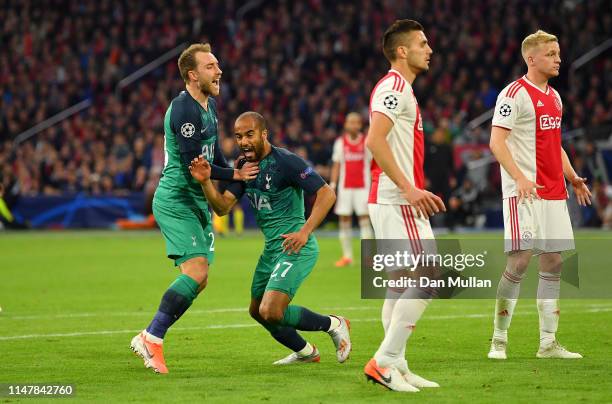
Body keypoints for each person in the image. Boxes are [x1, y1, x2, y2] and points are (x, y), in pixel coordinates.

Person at [130, 43, 259, 374]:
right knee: (197, 272)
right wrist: (235, 175)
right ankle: (151, 337)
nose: (219, 71)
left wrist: (237, 173)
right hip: (176, 199)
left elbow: (214, 158)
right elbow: (196, 166)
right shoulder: (184, 110)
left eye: (217, 65)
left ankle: (150, 334)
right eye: (211, 66)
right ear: (192, 75)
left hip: (196, 202)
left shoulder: (209, 106)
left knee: (198, 281)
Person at [189, 111, 352, 365]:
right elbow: (222, 207)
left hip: (296, 245)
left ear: (264, 134)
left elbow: (327, 194)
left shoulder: (286, 161)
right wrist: (206, 182)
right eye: (238, 136)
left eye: (249, 134)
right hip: (271, 250)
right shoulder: (244, 167)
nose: (243, 141)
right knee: (257, 312)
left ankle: (334, 323)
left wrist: (304, 231)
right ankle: (306, 352)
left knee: (271, 311)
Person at [487, 30, 592, 360]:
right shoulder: (513, 95)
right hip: (524, 192)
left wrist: (572, 176)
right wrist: (518, 177)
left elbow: (554, 143)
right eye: (551, 53)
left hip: (553, 191)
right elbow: (496, 142)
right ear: (531, 58)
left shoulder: (556, 97)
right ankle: (498, 340)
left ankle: (548, 343)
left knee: (554, 261)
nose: (558, 58)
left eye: (558, 53)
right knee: (519, 261)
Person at [363, 19, 445, 392]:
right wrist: (410, 189)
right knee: (428, 278)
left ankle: (399, 367)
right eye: (422, 43)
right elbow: (375, 141)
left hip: (392, 198)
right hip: (397, 200)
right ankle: (384, 361)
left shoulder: (403, 90)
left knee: (399, 285)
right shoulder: (394, 88)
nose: (429, 49)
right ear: (402, 51)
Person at [330, 112, 373, 267]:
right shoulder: (340, 143)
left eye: (356, 122)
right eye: (350, 122)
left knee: (364, 220)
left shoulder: (367, 141)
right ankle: (347, 256)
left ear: (360, 125)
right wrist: (333, 185)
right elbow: (336, 164)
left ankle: (368, 258)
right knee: (344, 220)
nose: (353, 125)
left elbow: (373, 163)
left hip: (363, 187)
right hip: (345, 188)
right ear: (346, 125)